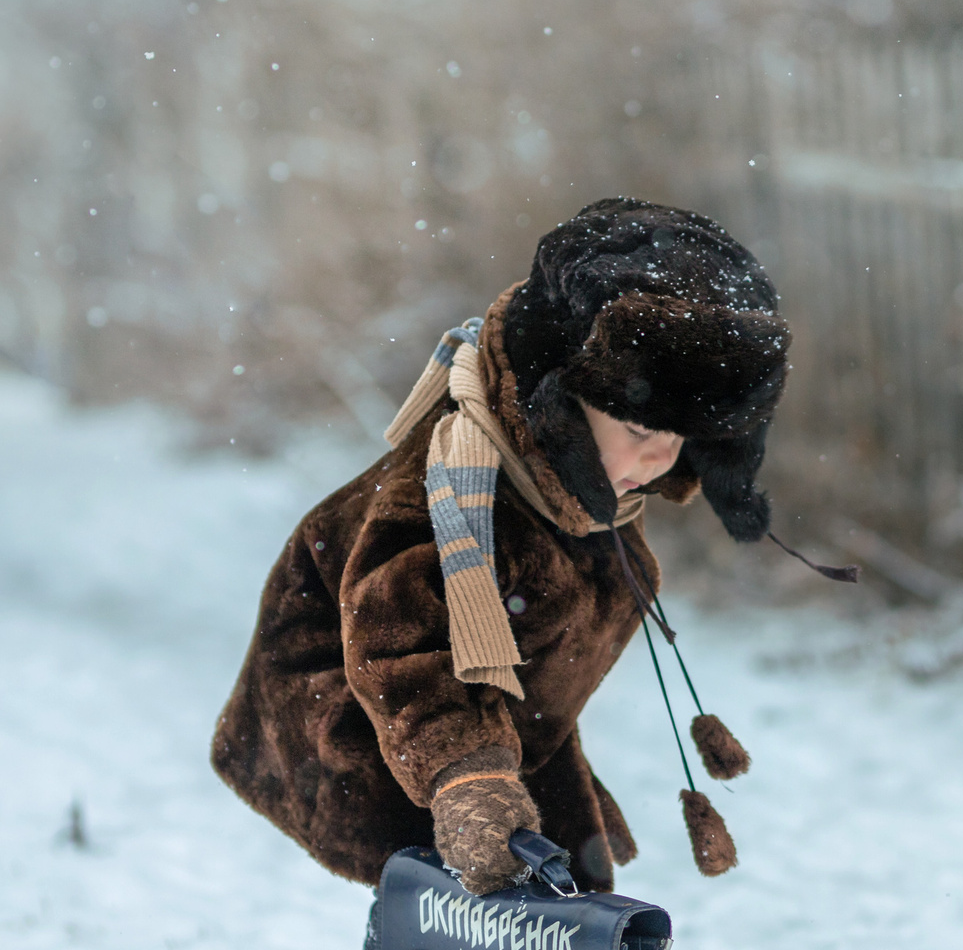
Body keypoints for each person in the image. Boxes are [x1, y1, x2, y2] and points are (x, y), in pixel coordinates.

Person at [210, 198, 791, 895]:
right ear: (560, 404)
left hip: (483, 709)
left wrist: (560, 789)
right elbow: (399, 645)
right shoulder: (456, 494)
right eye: (641, 431)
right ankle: (413, 945)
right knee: (432, 898)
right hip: (356, 719)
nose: (661, 458)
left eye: (681, 438)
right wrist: (470, 782)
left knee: (560, 891)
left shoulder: (582, 489)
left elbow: (528, 650)